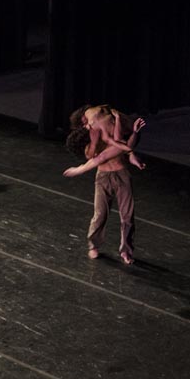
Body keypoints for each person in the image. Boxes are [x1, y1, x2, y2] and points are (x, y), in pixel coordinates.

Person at [63, 105, 147, 265]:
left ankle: (126, 250)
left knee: (127, 216)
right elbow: (97, 158)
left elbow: (123, 145)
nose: (90, 126)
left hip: (121, 174)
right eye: (87, 126)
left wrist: (133, 137)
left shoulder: (106, 129)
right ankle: (94, 245)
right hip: (103, 177)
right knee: (100, 214)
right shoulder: (89, 146)